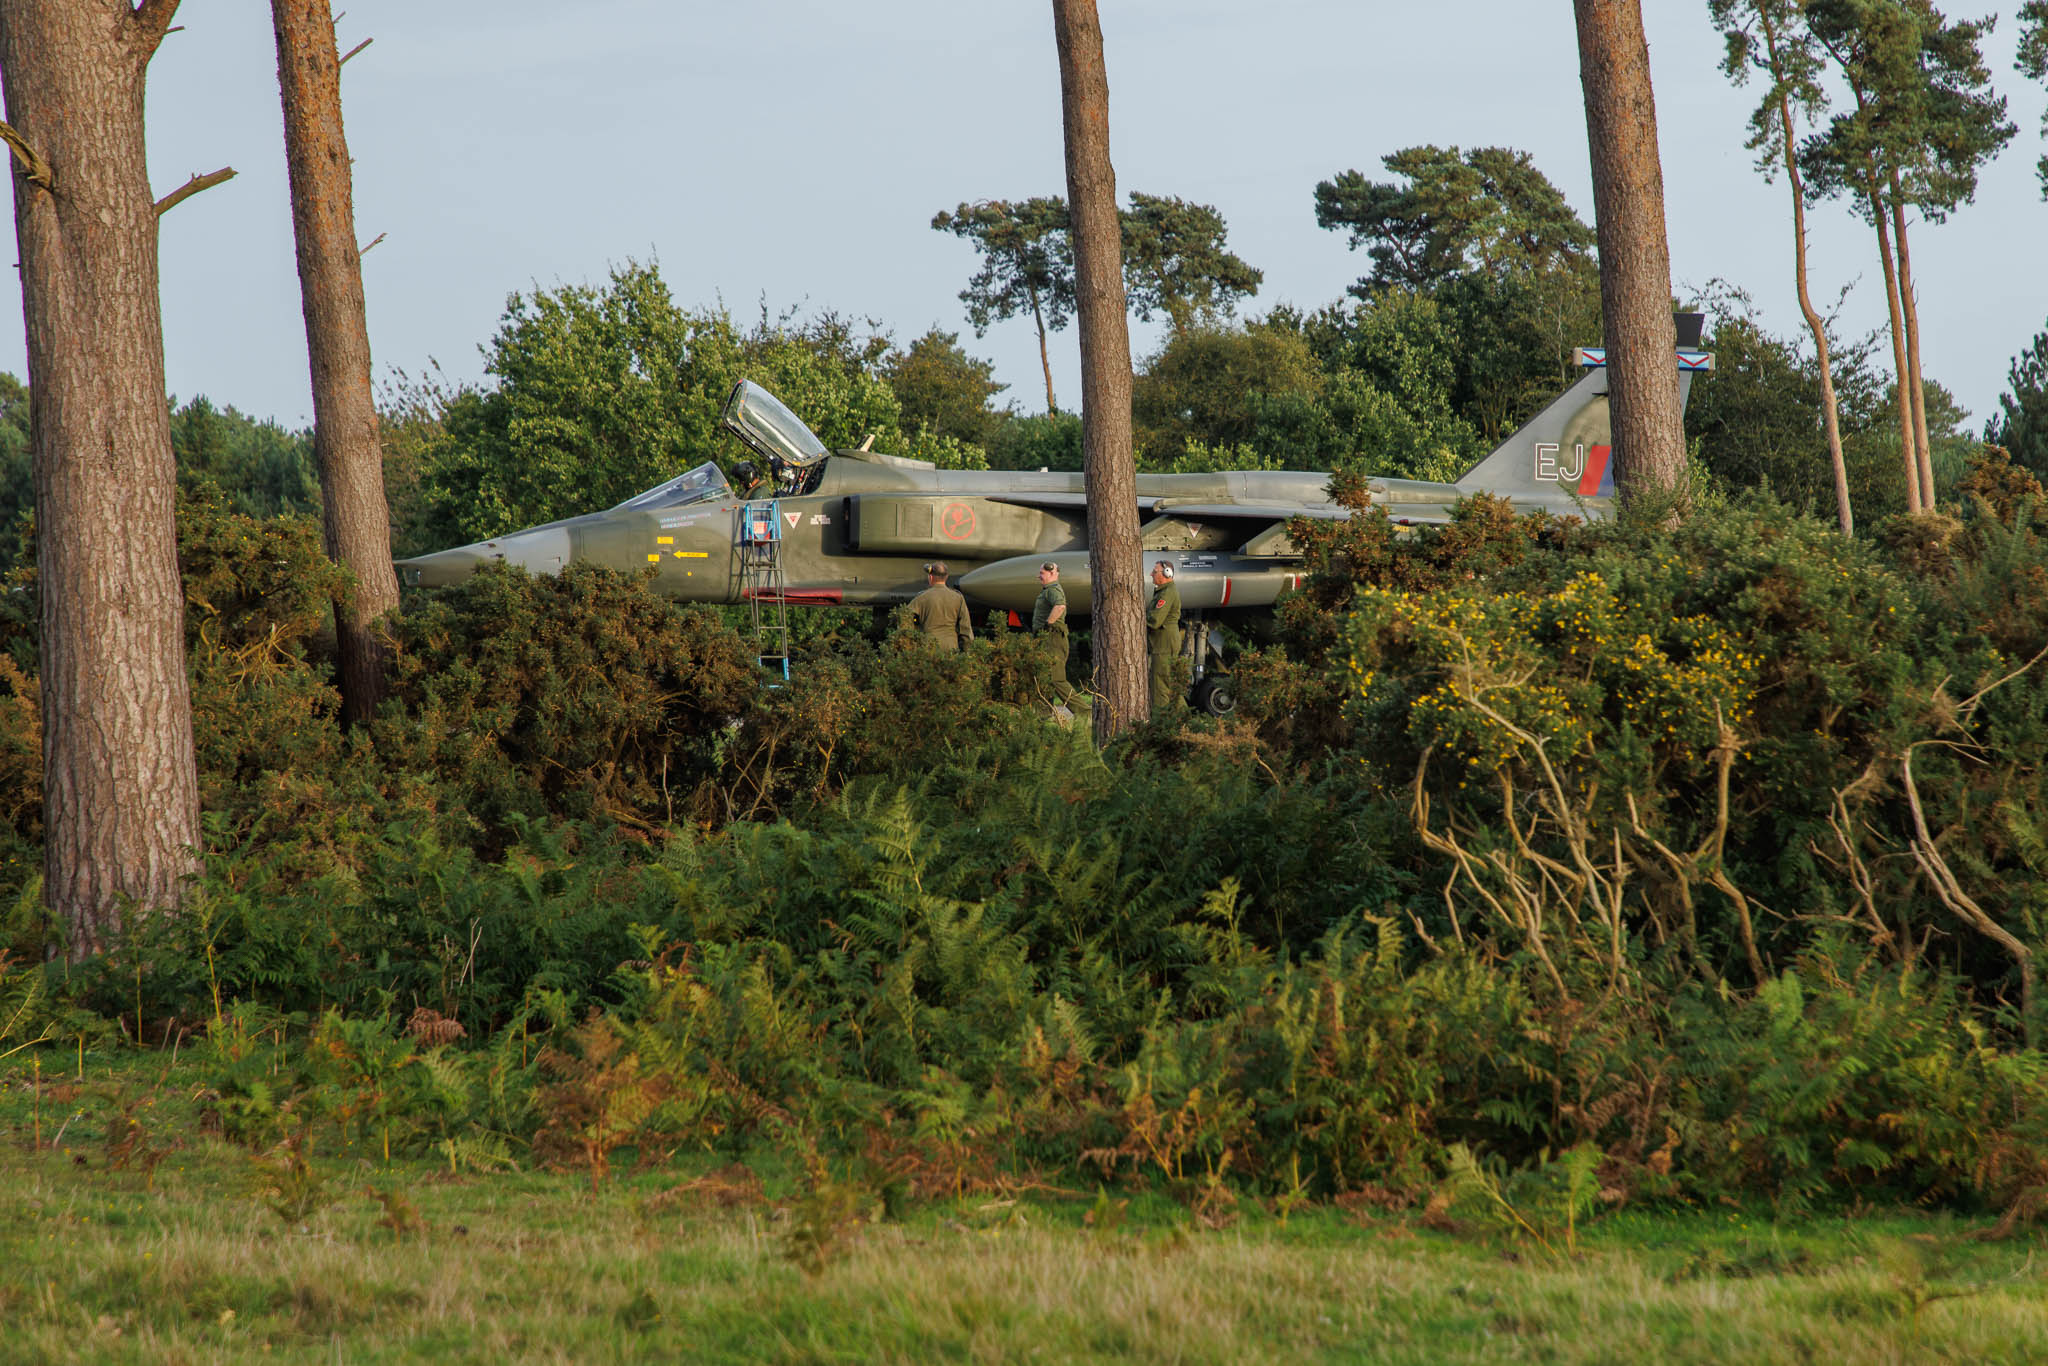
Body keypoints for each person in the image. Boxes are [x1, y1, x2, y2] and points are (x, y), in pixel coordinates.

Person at [1031, 561, 1084, 714]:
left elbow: (1060, 606)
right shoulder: (1048, 590)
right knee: (1045, 678)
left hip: (1052, 639)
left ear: (1052, 574)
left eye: (1042, 573)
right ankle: (1043, 715)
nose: (1039, 576)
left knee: (1056, 678)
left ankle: (1083, 711)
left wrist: (1049, 623)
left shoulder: (1053, 590)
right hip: (1047, 639)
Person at [1146, 560, 1184, 717]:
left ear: (1166, 574)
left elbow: (1154, 620)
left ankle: (1160, 723)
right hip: (1164, 643)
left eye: (1155, 571)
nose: (1151, 574)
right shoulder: (1164, 591)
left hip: (1164, 644)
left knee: (1160, 685)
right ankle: (1184, 720)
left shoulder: (1167, 593)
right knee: (1168, 684)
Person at [908, 561, 972, 652]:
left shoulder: (921, 598)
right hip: (951, 650)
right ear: (946, 577)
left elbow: (905, 619)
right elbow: (966, 630)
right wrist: (967, 654)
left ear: (930, 577)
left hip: (928, 649)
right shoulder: (958, 598)